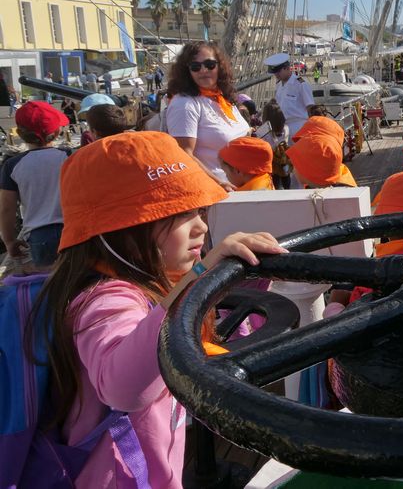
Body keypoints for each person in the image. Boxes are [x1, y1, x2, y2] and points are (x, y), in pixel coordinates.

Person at [27, 131, 284, 488]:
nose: (202, 226)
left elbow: (185, 319)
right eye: (180, 214)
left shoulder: (156, 280)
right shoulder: (105, 299)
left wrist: (233, 281)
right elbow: (124, 389)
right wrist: (201, 275)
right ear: (122, 230)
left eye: (199, 211)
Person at [164, 42, 250, 191]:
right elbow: (183, 153)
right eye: (195, 67)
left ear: (219, 67)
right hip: (215, 191)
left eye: (209, 64)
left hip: (241, 186)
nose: (203, 70)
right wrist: (219, 183)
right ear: (187, 71)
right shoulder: (185, 104)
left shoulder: (221, 98)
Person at [0, 102, 69, 270]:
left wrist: (9, 240)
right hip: (72, 229)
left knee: (49, 287)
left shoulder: (12, 165)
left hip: (39, 235)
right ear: (58, 131)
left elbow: (6, 208)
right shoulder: (69, 157)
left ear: (19, 133)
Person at [265, 52, 313, 139]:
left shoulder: (300, 84)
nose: (276, 75)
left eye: (278, 72)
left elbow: (310, 107)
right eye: (275, 72)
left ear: (287, 68)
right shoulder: (279, 85)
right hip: (282, 129)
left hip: (299, 127)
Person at [286, 132, 357, 188]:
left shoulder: (324, 202)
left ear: (307, 170)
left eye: (295, 163)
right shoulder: (341, 190)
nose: (292, 169)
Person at [259, 100, 292, 189]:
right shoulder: (286, 128)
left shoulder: (263, 130)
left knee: (274, 187)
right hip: (283, 161)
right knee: (286, 185)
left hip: (270, 164)